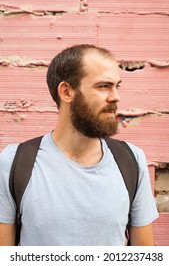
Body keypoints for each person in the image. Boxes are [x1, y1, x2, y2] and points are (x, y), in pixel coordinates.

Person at [0, 44, 158, 246]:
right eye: (103, 86)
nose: (115, 97)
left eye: (117, 86)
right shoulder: (15, 162)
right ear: (67, 92)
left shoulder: (131, 161)